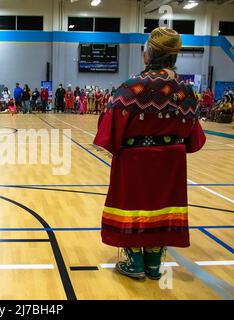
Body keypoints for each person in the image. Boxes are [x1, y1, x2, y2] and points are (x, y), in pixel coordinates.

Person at [93, 27, 206, 280]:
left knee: (135, 205)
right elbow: (195, 136)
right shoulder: (186, 91)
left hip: (136, 158)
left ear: (149, 53)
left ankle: (135, 263)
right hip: (172, 160)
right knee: (162, 206)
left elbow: (109, 126)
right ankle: (154, 264)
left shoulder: (132, 86)